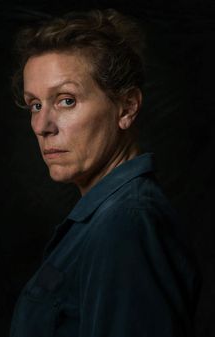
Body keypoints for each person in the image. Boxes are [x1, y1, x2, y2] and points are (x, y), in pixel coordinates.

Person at [10, 8, 201, 337]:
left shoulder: (126, 224)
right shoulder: (106, 217)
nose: (42, 126)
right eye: (35, 104)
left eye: (66, 100)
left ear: (126, 108)